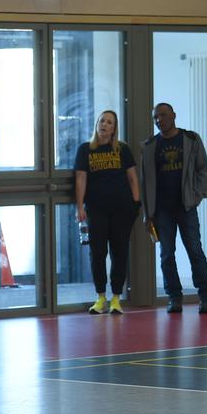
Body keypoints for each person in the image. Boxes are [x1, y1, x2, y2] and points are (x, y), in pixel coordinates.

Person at [141, 103, 207, 315]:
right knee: (166, 255)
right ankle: (174, 297)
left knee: (195, 251)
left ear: (174, 115)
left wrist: (196, 196)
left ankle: (206, 297)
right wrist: (148, 214)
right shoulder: (150, 146)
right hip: (162, 211)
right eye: (155, 117)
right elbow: (145, 182)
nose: (159, 120)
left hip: (186, 207)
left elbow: (203, 169)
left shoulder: (191, 139)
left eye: (163, 115)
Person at [74, 110, 141, 315]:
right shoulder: (85, 149)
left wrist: (136, 203)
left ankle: (116, 299)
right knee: (98, 253)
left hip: (123, 208)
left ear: (114, 128)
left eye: (109, 122)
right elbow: (81, 179)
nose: (104, 124)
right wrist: (79, 207)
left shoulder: (122, 149)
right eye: (102, 120)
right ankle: (101, 297)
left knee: (119, 252)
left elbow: (132, 178)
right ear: (97, 124)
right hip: (96, 209)